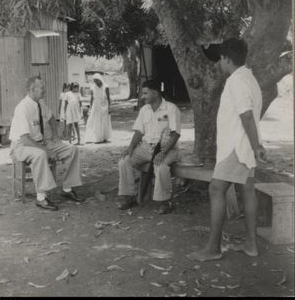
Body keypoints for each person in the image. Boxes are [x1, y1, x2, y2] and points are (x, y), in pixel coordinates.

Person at [188, 38, 266, 262]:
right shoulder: (248, 78)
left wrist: (256, 146)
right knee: (247, 190)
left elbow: (246, 115)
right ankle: (251, 245)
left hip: (237, 146)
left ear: (226, 58)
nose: (219, 64)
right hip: (244, 145)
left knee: (216, 189)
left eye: (220, 59)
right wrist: (255, 145)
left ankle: (213, 248)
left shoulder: (236, 81)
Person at [9, 76, 84, 211]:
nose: (44, 90)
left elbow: (51, 118)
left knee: (72, 150)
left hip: (41, 142)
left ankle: (67, 189)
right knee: (41, 154)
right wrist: (47, 150)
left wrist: (55, 135)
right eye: (42, 88)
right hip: (21, 146)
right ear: (33, 89)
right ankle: (41, 198)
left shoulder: (40, 103)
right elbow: (25, 139)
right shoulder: (22, 108)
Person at [117, 79, 181, 214]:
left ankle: (165, 202)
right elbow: (139, 131)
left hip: (167, 149)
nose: (142, 96)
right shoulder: (144, 110)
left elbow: (175, 135)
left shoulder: (171, 108)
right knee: (124, 161)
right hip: (146, 147)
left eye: (145, 93)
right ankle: (129, 197)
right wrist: (131, 148)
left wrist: (163, 152)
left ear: (156, 93)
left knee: (160, 166)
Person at [85, 73, 112, 143]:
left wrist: (109, 108)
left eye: (97, 80)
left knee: (104, 122)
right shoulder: (92, 87)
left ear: (100, 79)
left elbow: (109, 98)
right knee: (95, 122)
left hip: (104, 106)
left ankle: (104, 137)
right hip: (95, 106)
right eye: (95, 81)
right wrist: (90, 108)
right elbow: (91, 98)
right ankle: (97, 137)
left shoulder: (106, 87)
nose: (96, 82)